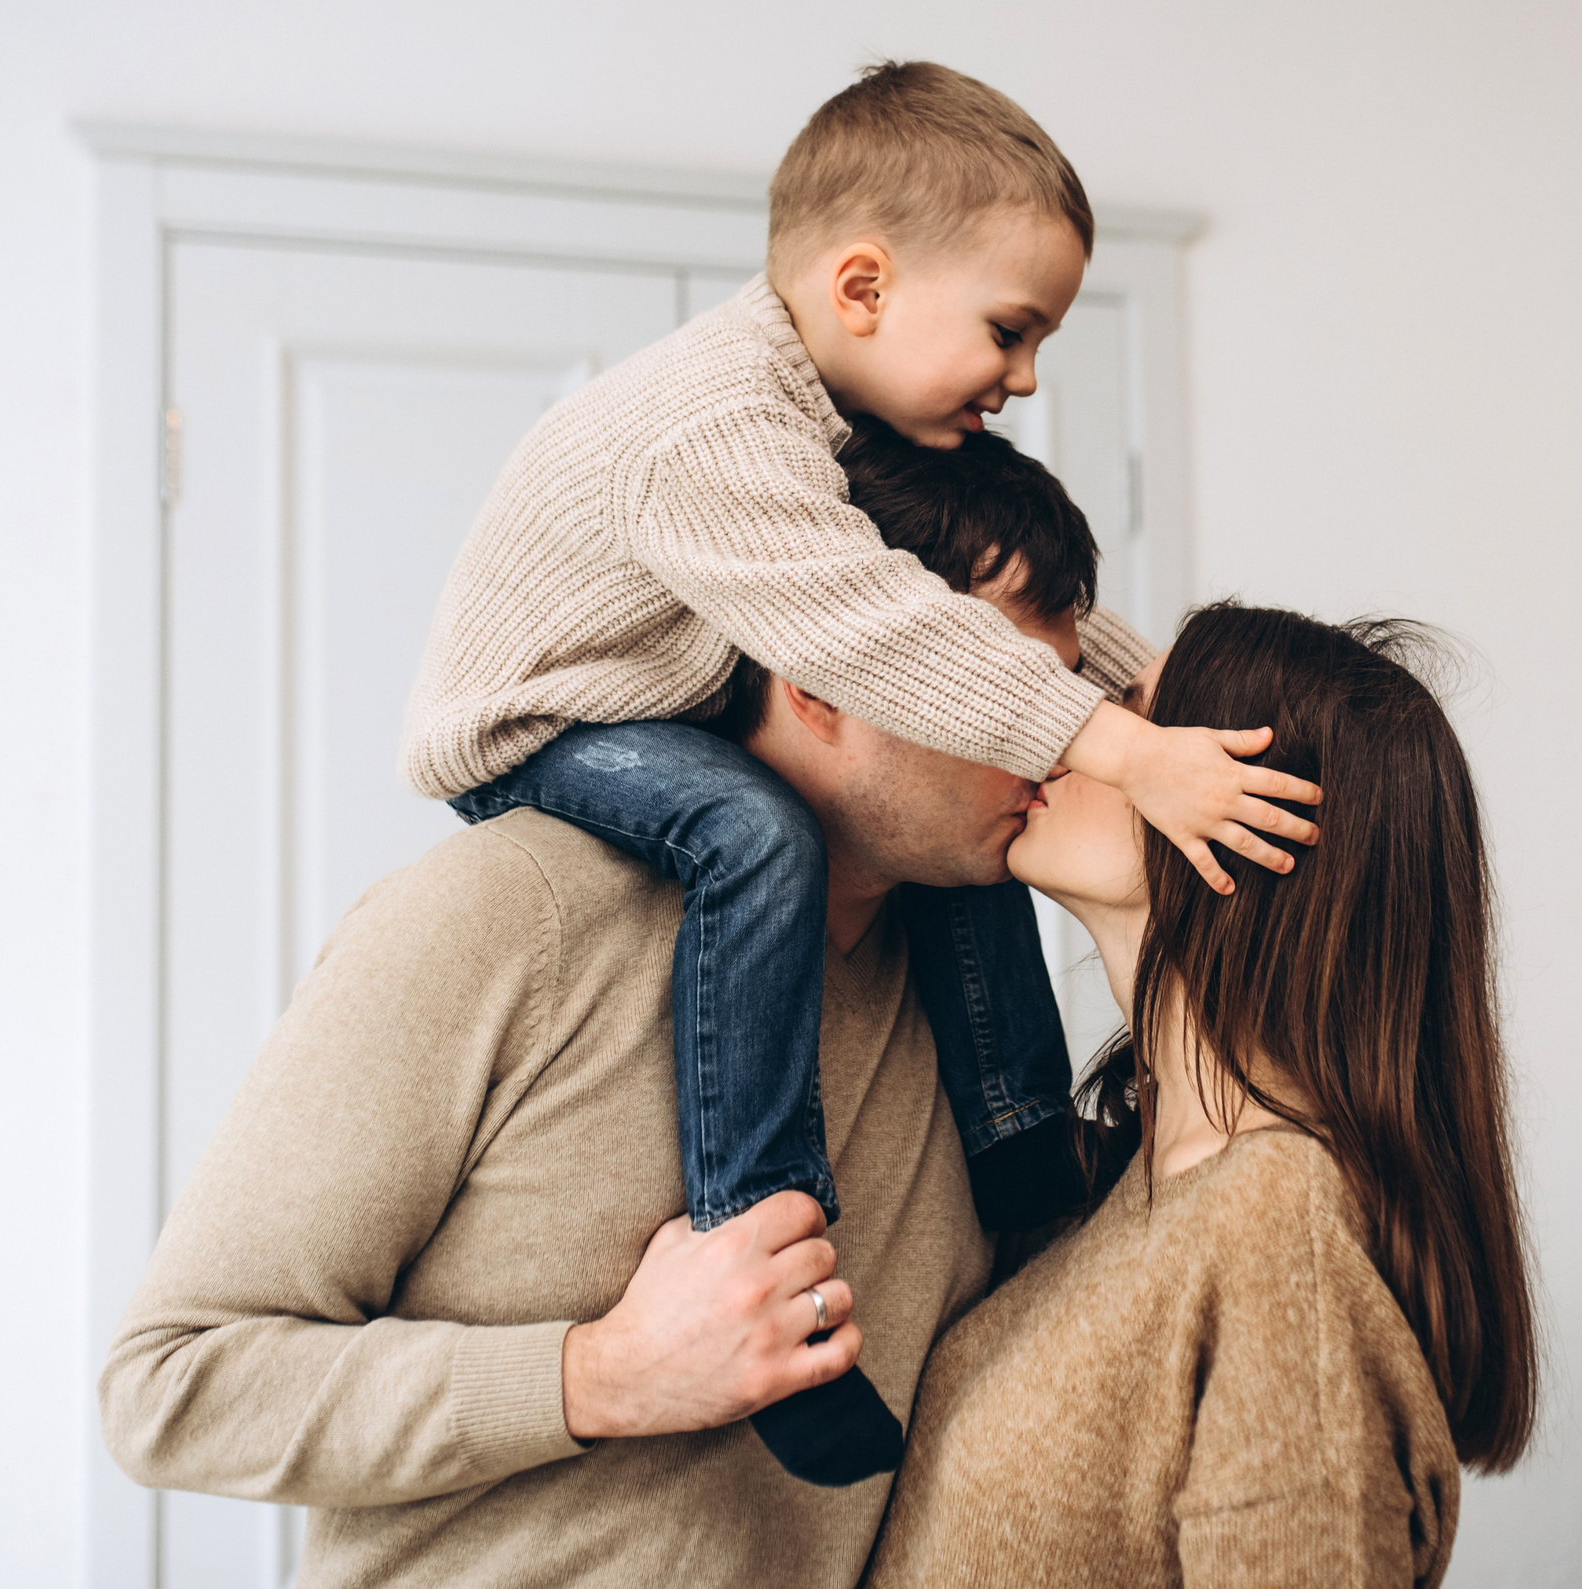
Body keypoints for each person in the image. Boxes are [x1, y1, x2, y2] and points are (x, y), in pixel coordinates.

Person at [407, 60, 1319, 1481]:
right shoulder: (714, 428)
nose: (1025, 379)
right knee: (757, 837)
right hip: (545, 724)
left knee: (959, 831)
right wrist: (1125, 745)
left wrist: (1147, 683)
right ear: (862, 289)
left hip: (659, 695)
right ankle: (761, 1233)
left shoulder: (825, 413)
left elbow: (984, 615)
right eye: (1012, 331)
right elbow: (890, 624)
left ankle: (1020, 1156)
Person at [100, 432, 1124, 1588]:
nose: (1056, 735)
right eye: (1005, 691)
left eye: (1064, 688)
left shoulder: (973, 983)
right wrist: (601, 1373)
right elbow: (174, 1385)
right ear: (822, 680)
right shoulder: (503, 916)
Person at [866, 603, 1540, 1588]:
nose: (1070, 729)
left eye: (1132, 715)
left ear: (1257, 826)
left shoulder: (1279, 1233)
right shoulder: (1137, 1183)